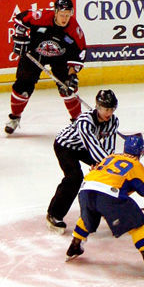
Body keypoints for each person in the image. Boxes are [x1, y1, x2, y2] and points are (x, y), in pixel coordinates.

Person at [67, 132, 144, 276]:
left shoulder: (110, 157)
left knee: (88, 215)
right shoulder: (136, 166)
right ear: (142, 151)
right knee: (136, 222)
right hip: (109, 195)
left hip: (86, 190)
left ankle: (75, 245)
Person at [4, 0, 86, 137]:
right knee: (23, 86)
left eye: (67, 15)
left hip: (60, 58)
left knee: (67, 88)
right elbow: (20, 19)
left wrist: (72, 75)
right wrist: (20, 37)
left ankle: (77, 122)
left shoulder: (75, 30)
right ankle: (14, 118)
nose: (65, 18)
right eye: (62, 15)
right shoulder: (41, 16)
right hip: (35, 54)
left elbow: (78, 54)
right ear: (55, 12)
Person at [48, 88, 120, 229]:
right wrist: (103, 164)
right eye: (106, 109)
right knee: (74, 177)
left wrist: (106, 167)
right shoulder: (84, 121)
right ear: (98, 107)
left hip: (84, 148)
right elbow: (92, 146)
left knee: (105, 173)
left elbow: (108, 149)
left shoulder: (113, 121)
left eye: (112, 109)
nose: (109, 113)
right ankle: (54, 214)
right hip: (66, 146)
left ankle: (105, 208)